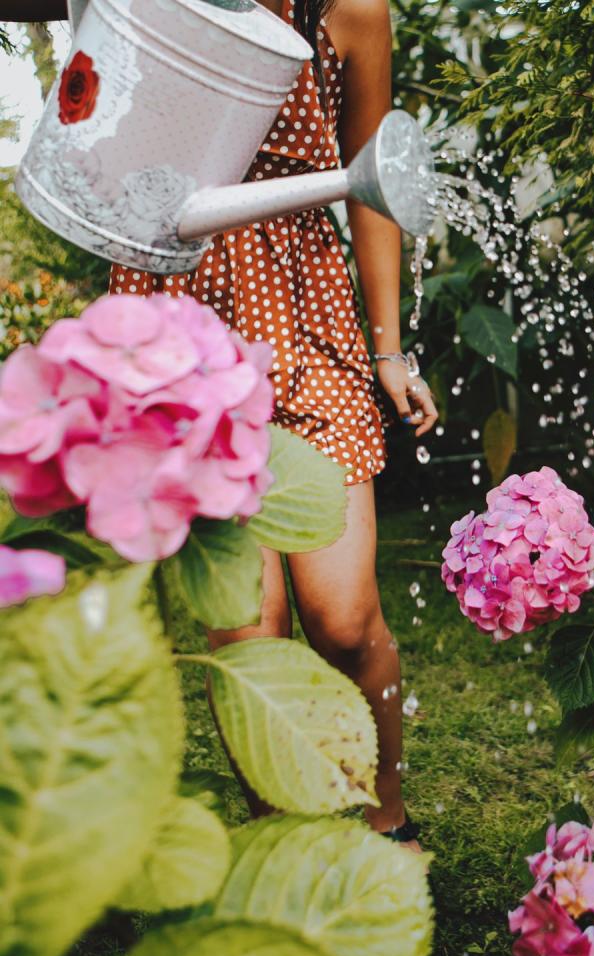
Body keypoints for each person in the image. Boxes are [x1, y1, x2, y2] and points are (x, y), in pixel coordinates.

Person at [2, 0, 436, 849]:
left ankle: (387, 819)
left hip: (310, 320)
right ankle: (280, 844)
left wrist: (389, 353)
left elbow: (372, 182)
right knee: (248, 630)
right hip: (179, 320)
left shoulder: (354, 13)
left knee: (344, 620)